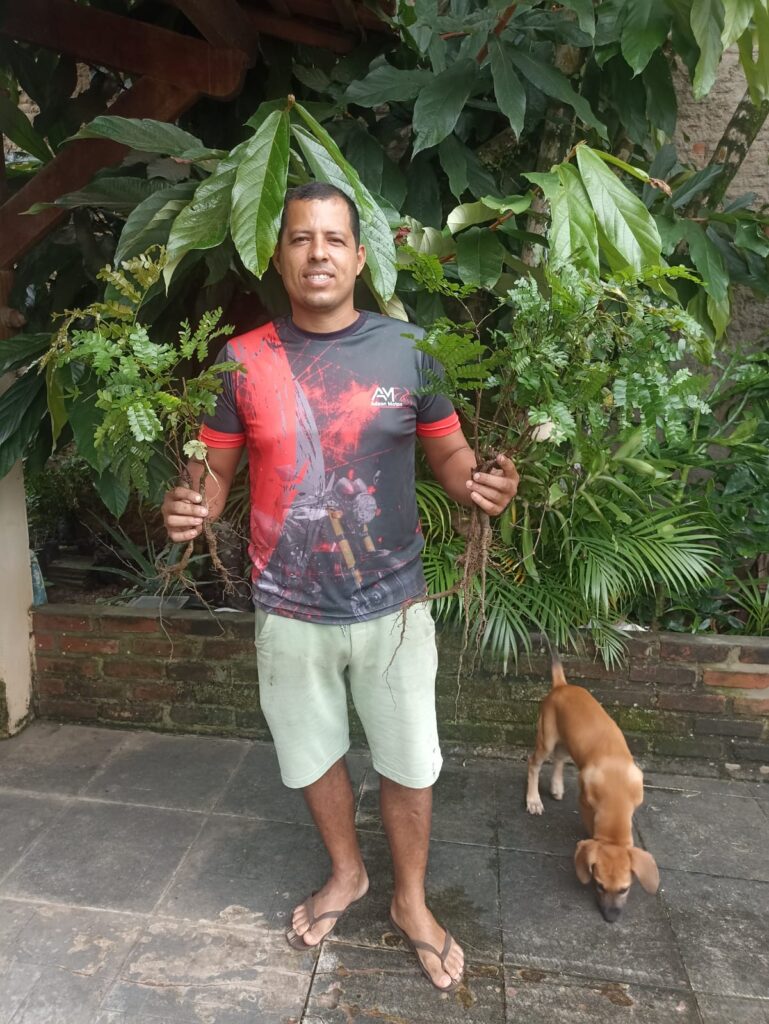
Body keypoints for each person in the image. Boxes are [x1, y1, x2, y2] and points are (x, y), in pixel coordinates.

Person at [162, 182, 518, 991]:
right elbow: (213, 476)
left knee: (409, 762)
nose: (316, 252)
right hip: (287, 606)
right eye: (299, 238)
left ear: (359, 257)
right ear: (278, 257)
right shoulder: (242, 360)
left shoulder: (411, 349)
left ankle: (411, 901)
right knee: (311, 752)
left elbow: (450, 458)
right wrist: (186, 505)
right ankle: (348, 873)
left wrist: (484, 485)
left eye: (332, 239)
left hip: (394, 604)